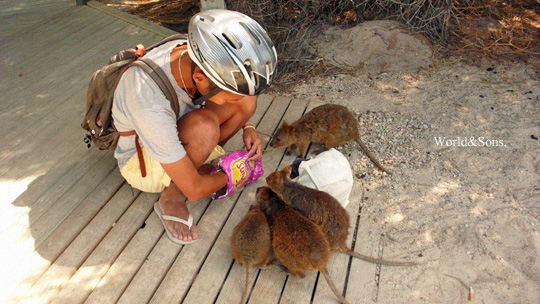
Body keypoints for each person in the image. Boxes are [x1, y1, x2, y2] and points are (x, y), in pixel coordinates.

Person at [111, 9, 277, 244]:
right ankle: (171, 196)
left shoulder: (190, 53)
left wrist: (247, 126)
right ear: (200, 77)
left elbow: (239, 100)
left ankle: (192, 164)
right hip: (139, 162)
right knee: (205, 127)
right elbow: (196, 191)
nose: (233, 101)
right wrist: (240, 171)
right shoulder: (146, 97)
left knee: (246, 101)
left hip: (170, 130)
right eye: (230, 96)